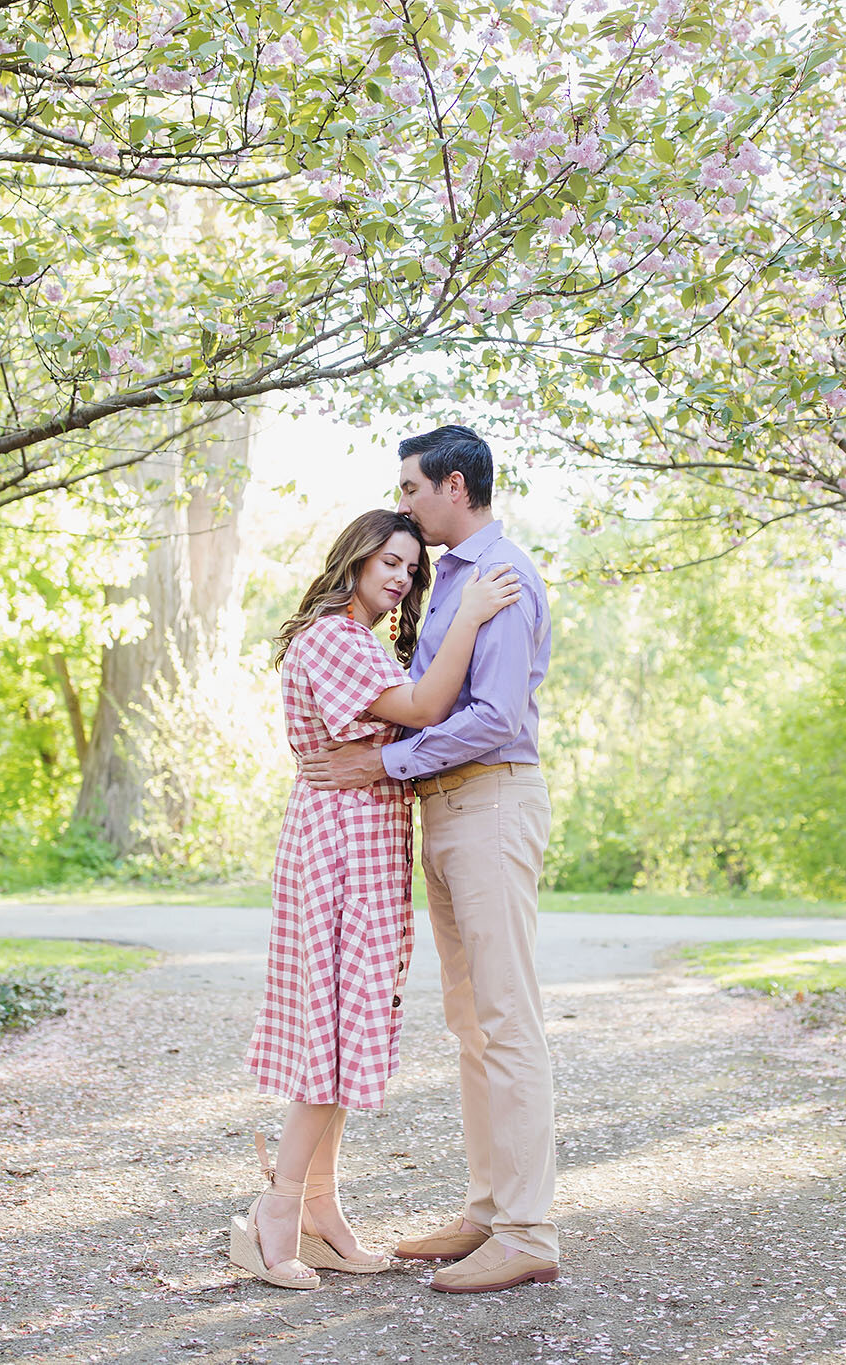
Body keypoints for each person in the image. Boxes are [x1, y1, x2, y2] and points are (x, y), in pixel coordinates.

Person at [230, 507, 520, 1291]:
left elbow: (405, 722)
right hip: (335, 851)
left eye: (410, 569)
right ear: (354, 559)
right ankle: (276, 1215)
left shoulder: (360, 641)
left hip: (361, 846)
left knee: (348, 1025)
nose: (401, 578)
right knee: (329, 1038)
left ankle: (322, 1210)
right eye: (389, 562)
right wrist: (470, 614)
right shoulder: (331, 637)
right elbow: (425, 709)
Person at [298, 425, 559, 1295]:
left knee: (508, 1017)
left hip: (489, 800)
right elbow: (421, 699)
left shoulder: (502, 577)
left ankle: (527, 1229)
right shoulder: (448, 583)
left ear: (453, 485)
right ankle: (489, 1211)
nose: (400, 501)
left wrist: (383, 761)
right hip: (445, 812)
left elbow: (493, 716)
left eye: (409, 487)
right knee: (471, 1024)